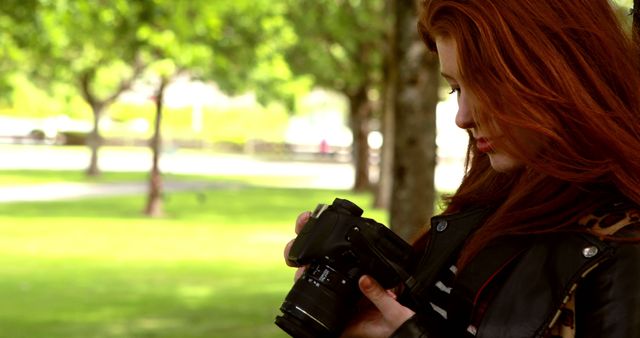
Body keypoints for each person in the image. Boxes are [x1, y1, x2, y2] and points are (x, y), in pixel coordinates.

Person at [284, 0, 640, 337]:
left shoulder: (622, 248)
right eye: (455, 88)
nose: (463, 117)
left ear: (558, 73)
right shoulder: (488, 204)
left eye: (485, 84)